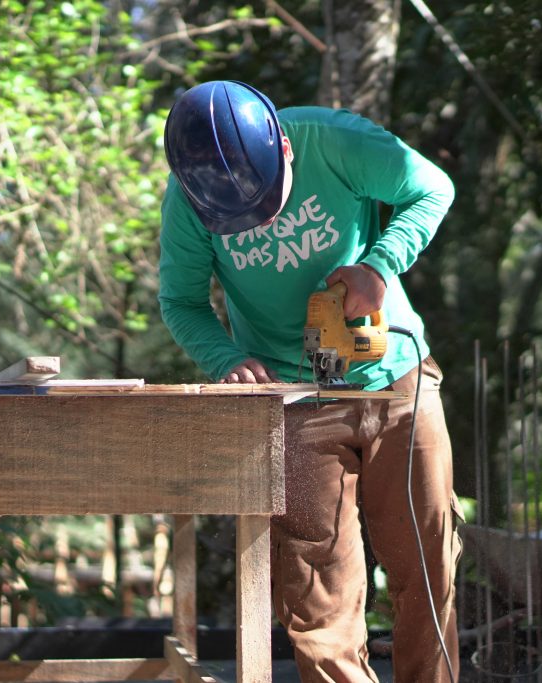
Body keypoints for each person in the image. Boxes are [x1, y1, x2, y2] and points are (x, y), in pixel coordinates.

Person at [158, 80, 461, 683]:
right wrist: (226, 360)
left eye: (268, 201)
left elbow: (432, 188)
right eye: (240, 218)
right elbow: (182, 302)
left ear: (286, 150)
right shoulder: (190, 199)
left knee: (428, 575)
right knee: (316, 602)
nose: (261, 220)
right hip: (294, 401)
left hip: (397, 380)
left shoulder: (332, 141)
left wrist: (379, 263)